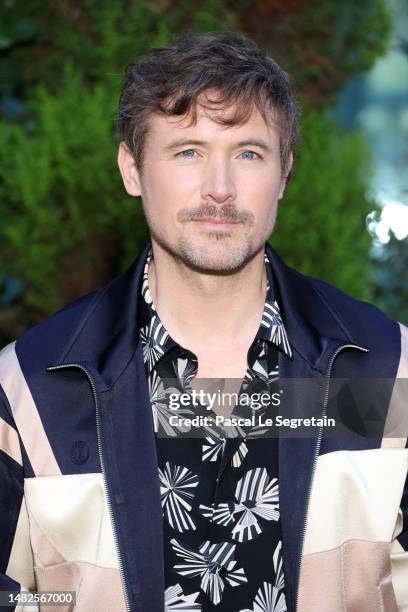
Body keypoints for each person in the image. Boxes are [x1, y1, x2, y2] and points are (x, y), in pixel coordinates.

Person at [0, 32, 407, 612]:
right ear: (132, 169)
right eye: (188, 151)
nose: (220, 189)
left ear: (284, 174)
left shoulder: (387, 369)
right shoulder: (31, 389)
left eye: (248, 153)